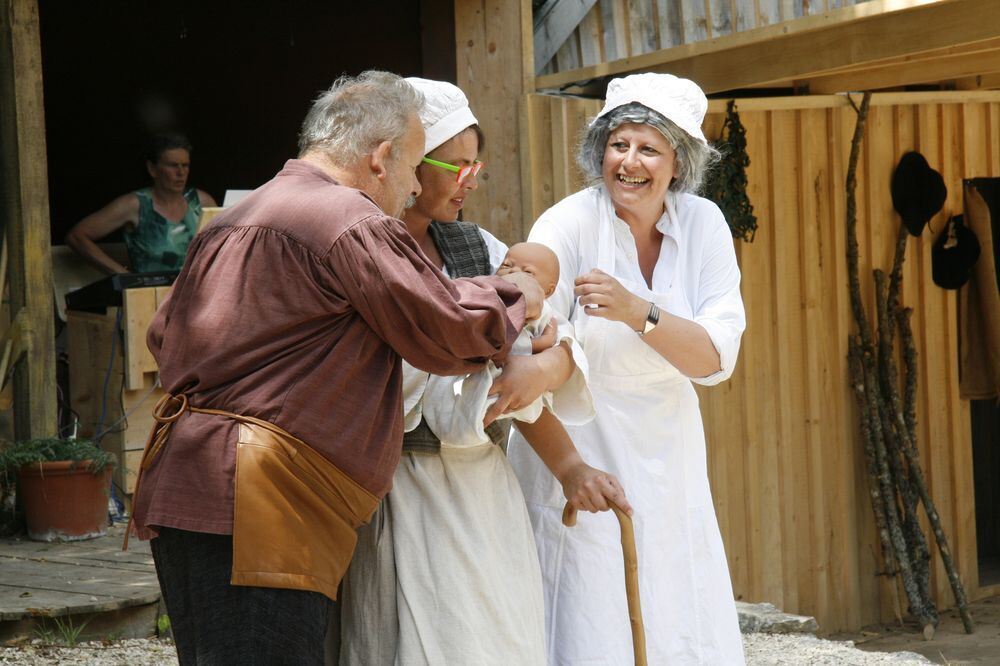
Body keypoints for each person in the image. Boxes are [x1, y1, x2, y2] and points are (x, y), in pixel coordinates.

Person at [126, 70, 548, 665]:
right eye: (410, 168)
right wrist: (519, 295)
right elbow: (446, 331)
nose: (407, 191)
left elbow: (162, 336)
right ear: (381, 158)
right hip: (261, 496)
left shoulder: (233, 217)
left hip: (188, 483)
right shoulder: (348, 218)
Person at [336, 77, 627, 666]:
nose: (470, 178)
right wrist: (506, 356)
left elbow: (554, 331)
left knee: (494, 637)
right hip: (401, 488)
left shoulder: (478, 248)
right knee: (408, 641)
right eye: (454, 163)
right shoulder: (362, 250)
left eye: (477, 163)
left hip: (482, 489)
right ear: (408, 160)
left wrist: (548, 373)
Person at [508, 72, 748, 664]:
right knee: (587, 610)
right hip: (579, 442)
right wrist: (570, 467)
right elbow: (534, 344)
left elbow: (717, 359)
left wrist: (640, 311)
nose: (630, 162)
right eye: (619, 144)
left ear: (678, 161)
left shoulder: (703, 224)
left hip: (670, 448)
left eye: (649, 148)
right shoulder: (566, 223)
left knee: (677, 600)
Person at [422, 242, 562, 446]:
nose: (514, 272)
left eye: (528, 272)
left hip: (512, 382)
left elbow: (554, 345)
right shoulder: (486, 296)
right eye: (507, 265)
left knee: (484, 404)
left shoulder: (545, 313)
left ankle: (466, 426)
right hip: (471, 370)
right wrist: (535, 345)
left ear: (548, 290)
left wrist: (538, 347)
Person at [65, 132, 217, 274]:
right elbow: (77, 236)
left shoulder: (202, 202)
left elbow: (225, 246)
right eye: (172, 165)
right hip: (151, 297)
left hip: (197, 295)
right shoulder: (135, 205)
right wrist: (123, 276)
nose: (181, 172)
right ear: (152, 169)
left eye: (185, 165)